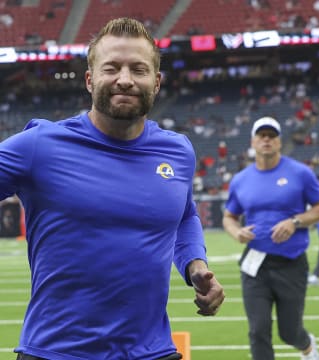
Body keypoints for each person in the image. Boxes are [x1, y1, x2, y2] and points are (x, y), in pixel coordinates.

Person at [0, 18, 225, 360]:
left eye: (138, 69)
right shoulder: (40, 146)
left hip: (152, 351)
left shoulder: (178, 151)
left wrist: (195, 265)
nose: (125, 80)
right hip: (55, 353)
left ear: (157, 82)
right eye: (112, 68)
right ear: (90, 80)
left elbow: (184, 214)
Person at [222, 116, 319, 360]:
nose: (267, 140)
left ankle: (307, 346)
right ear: (253, 141)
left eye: (272, 135)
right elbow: (229, 217)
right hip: (255, 264)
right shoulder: (240, 180)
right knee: (258, 329)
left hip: (291, 262)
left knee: (289, 332)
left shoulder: (300, 173)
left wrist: (295, 222)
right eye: (262, 135)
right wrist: (236, 232)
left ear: (280, 141)